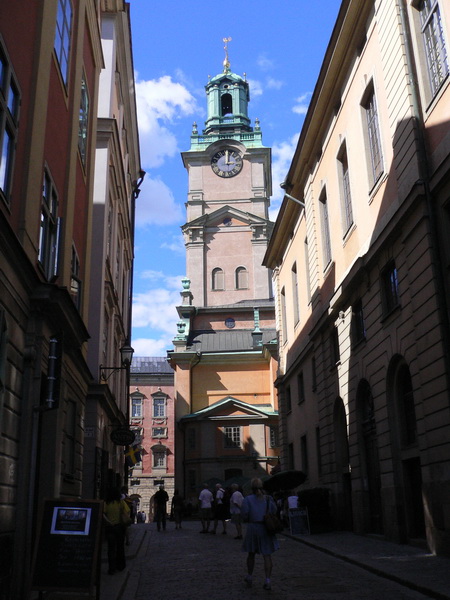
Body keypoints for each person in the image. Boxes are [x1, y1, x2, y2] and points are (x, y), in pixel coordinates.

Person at [241, 477, 279, 591]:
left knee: (251, 554)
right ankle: (268, 580)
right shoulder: (268, 498)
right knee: (267, 555)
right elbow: (274, 511)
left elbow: (244, 515)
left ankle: (250, 576)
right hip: (265, 527)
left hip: (253, 527)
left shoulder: (247, 499)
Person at [103, 487, 130, 575]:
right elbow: (127, 512)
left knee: (111, 549)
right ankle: (120, 566)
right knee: (120, 547)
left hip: (110, 528)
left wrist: (108, 521)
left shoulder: (106, 503)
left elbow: (102, 514)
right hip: (119, 527)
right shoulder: (120, 502)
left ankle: (111, 569)